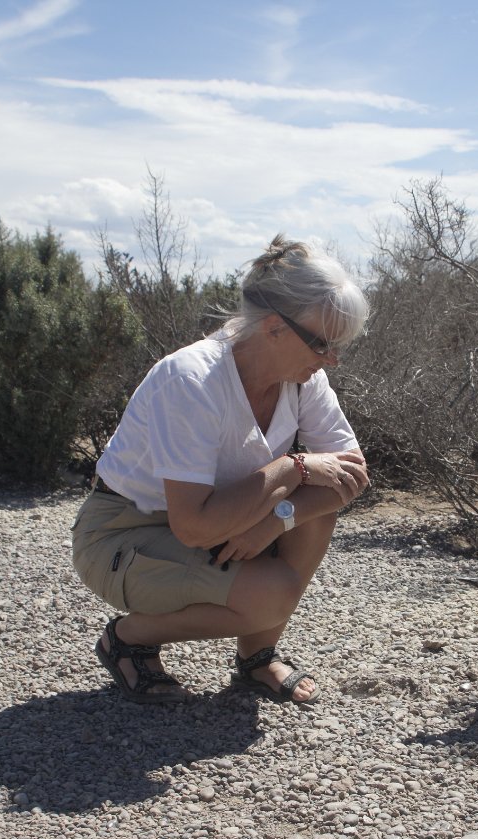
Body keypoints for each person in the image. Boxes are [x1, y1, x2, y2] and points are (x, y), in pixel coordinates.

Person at [71, 234, 370, 706]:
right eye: (322, 343)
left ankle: (257, 658)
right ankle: (128, 637)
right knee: (270, 595)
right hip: (122, 531)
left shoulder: (303, 379)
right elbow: (192, 527)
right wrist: (293, 467)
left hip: (219, 518)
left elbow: (351, 475)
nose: (331, 358)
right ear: (273, 327)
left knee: (315, 512)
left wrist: (278, 519)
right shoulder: (191, 378)